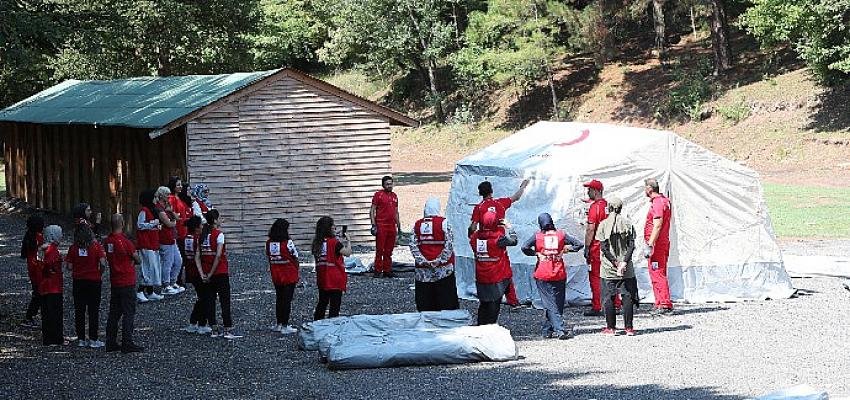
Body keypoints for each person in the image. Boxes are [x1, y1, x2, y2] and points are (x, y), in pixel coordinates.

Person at [467, 179, 530, 308]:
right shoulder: (500, 204)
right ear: (491, 191)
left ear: (480, 193)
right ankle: (512, 300)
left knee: (484, 263)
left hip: (482, 240)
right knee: (505, 269)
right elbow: (516, 197)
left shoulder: (478, 208)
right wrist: (523, 185)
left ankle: (490, 297)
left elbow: (473, 227)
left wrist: (473, 236)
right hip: (498, 241)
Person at [521, 213, 583, 340]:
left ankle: (559, 330)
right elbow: (578, 244)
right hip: (558, 272)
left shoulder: (538, 236)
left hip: (542, 273)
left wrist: (536, 253)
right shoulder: (561, 234)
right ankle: (547, 330)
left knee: (549, 304)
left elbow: (524, 247)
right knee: (558, 303)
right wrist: (565, 250)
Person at [596, 196, 640, 335]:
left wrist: (615, 262)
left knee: (608, 297)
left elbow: (603, 247)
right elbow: (632, 245)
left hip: (609, 268)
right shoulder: (627, 223)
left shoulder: (603, 225)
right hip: (626, 268)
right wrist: (624, 262)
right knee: (627, 296)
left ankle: (611, 327)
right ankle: (629, 328)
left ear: (609, 208)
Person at [409, 197, 459, 312]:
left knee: (425, 299)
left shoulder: (417, 224)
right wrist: (440, 260)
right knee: (446, 298)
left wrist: (423, 261)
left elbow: (413, 244)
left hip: (423, 271)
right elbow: (449, 244)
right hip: (443, 269)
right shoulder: (444, 223)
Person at [103, 214, 144, 353]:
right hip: (126, 280)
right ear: (122, 223)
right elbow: (137, 259)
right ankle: (127, 342)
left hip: (115, 280)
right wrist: (132, 260)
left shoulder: (108, 240)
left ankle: (110, 341)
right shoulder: (124, 242)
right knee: (128, 312)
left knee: (114, 313)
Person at [196, 209, 240, 339]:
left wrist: (202, 273)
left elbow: (197, 256)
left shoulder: (202, 236)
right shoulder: (219, 234)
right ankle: (227, 329)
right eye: (219, 218)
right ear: (215, 220)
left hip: (205, 272)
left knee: (210, 301)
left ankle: (214, 329)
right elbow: (219, 255)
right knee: (224, 301)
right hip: (219, 272)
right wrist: (210, 273)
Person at [470, 212, 518, 325]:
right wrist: (509, 226)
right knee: (494, 306)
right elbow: (514, 240)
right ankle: (489, 330)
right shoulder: (498, 238)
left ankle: (480, 326)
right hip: (496, 276)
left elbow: (471, 236)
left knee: (484, 304)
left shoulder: (475, 237)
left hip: (481, 276)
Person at [66, 223, 107, 348]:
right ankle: (93, 338)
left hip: (78, 281)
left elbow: (69, 266)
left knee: (80, 310)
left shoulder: (73, 248)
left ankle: (81, 339)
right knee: (93, 310)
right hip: (94, 281)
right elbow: (103, 263)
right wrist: (99, 273)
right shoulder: (96, 246)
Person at [582, 179, 616, 317]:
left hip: (597, 247)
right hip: (610, 247)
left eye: (589, 190)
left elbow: (591, 229)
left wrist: (587, 247)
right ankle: (615, 303)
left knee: (596, 277)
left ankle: (598, 306)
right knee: (611, 276)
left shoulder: (595, 207)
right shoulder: (608, 205)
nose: (587, 192)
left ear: (595, 191)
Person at [312, 216, 352, 320]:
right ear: (328, 228)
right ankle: (332, 326)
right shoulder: (334, 242)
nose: (335, 227)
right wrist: (348, 241)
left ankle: (317, 323)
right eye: (333, 226)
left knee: (322, 302)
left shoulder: (316, 242)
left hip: (322, 277)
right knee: (335, 305)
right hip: (335, 277)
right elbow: (347, 253)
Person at [643, 178, 674, 314]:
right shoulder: (664, 201)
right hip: (661, 243)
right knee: (657, 272)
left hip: (657, 245)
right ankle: (659, 302)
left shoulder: (658, 203)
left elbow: (657, 224)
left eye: (645, 188)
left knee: (657, 273)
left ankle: (664, 304)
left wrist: (650, 244)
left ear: (650, 189)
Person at [267, 218, 300, 334]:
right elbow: (295, 256)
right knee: (287, 300)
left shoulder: (269, 243)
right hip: (289, 274)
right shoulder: (288, 242)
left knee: (279, 298)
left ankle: (279, 323)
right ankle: (285, 325)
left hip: (276, 274)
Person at [181, 216, 211, 334]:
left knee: (201, 297)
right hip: (198, 272)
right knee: (205, 298)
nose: (202, 227)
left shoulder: (186, 238)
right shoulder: (198, 239)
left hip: (190, 271)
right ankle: (202, 324)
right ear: (197, 227)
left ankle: (193, 322)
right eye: (201, 225)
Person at [40, 225, 66, 346]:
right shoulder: (52, 250)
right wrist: (51, 271)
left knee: (48, 313)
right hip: (53, 286)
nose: (61, 236)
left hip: (49, 285)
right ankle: (55, 338)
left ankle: (50, 337)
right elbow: (48, 264)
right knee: (54, 313)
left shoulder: (49, 249)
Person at [370, 176, 401, 278]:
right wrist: (374, 225)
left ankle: (387, 270)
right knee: (380, 249)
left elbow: (396, 212)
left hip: (391, 226)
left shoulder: (395, 196)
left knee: (389, 250)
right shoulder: (378, 195)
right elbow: (372, 210)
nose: (389, 186)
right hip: (381, 225)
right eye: (387, 184)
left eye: (391, 184)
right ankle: (378, 270)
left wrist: (399, 226)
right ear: (383, 185)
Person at [155, 186, 183, 295]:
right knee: (168, 262)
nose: (168, 196)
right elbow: (169, 223)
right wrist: (173, 221)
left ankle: (172, 281)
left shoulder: (167, 207)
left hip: (172, 237)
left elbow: (176, 218)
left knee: (178, 260)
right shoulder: (159, 208)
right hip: (165, 238)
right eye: (166, 194)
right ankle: (165, 285)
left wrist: (171, 212)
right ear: (161, 195)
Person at [136, 189, 163, 302]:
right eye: (154, 197)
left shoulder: (152, 210)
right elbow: (140, 225)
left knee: (152, 267)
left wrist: (156, 226)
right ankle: (140, 291)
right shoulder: (144, 210)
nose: (156, 199)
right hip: (146, 244)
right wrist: (153, 224)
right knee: (146, 268)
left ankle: (150, 291)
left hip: (152, 243)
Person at [20, 214, 46, 328]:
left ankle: (30, 316)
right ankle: (29, 316)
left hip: (32, 267)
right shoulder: (38, 237)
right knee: (39, 294)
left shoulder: (29, 236)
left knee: (37, 293)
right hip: (37, 268)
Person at [169, 177, 191, 288]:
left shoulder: (179, 198)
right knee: (178, 258)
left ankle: (178, 279)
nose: (180, 187)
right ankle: (175, 280)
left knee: (182, 257)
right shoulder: (172, 198)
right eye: (178, 185)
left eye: (181, 185)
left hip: (183, 230)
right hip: (177, 230)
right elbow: (171, 213)